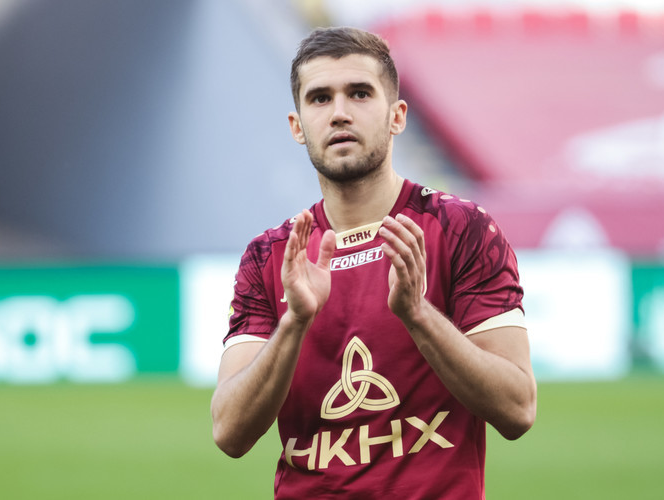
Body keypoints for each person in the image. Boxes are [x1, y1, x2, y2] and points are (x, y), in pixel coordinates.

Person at [211, 26, 537, 499]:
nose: (340, 112)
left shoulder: (462, 228)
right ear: (298, 126)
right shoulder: (270, 256)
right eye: (320, 98)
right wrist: (294, 323)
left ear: (396, 116)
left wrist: (419, 315)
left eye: (360, 93)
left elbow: (517, 409)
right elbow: (229, 432)